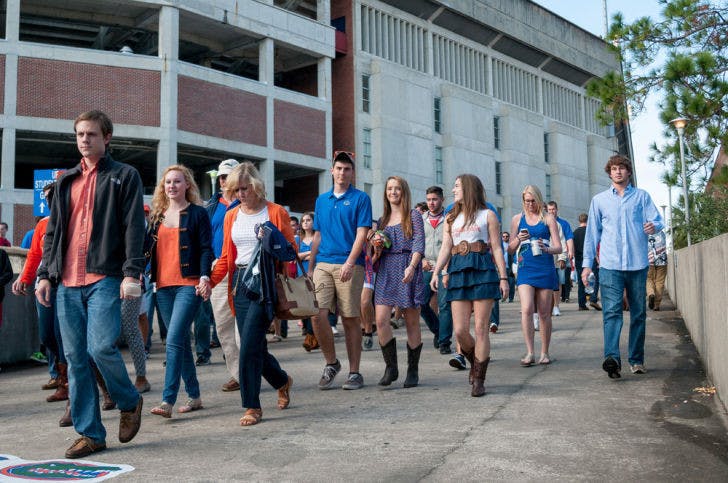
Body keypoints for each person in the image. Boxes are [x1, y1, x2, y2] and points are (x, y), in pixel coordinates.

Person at [36, 110, 144, 459]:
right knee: (75, 359)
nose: (85, 140)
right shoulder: (66, 180)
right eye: (80, 134)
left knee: (100, 348)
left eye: (92, 134)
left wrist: (132, 272)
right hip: (67, 281)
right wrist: (43, 274)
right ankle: (91, 434)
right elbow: (53, 233)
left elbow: (133, 227)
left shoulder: (124, 176)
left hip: (105, 277)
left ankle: (129, 400)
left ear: (107, 137)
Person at [210, 162, 295, 426]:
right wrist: (209, 282)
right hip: (240, 282)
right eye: (235, 190)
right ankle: (282, 380)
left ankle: (252, 406)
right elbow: (226, 256)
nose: (240, 194)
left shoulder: (276, 212)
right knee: (255, 346)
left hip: (266, 283)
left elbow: (290, 252)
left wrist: (271, 238)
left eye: (244, 188)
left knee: (246, 346)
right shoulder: (231, 216)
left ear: (256, 186)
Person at [582, 154, 663, 379]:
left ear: (628, 172)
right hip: (609, 265)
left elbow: (658, 221)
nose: (618, 172)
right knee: (611, 313)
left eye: (622, 168)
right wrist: (587, 265)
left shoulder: (641, 197)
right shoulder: (599, 201)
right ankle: (612, 359)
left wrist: (653, 226)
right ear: (609, 172)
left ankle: (636, 360)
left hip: (637, 264)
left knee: (638, 313)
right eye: (614, 168)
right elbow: (592, 235)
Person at [431, 174, 509, 397]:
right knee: (460, 331)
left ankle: (479, 379)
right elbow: (446, 247)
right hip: (457, 271)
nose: (453, 190)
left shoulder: (488, 215)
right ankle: (477, 362)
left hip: (483, 270)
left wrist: (503, 277)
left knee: (481, 328)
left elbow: (496, 248)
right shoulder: (450, 218)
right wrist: (438, 272)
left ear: (468, 188)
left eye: (456, 186)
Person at [146, 165, 212, 418]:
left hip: (189, 284)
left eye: (177, 181)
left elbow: (206, 248)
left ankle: (167, 400)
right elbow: (146, 250)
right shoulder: (157, 216)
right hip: (162, 287)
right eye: (167, 182)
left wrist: (205, 276)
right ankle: (194, 396)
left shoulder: (197, 213)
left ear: (187, 185)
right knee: (182, 342)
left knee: (173, 340)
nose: (171, 186)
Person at [307, 150, 372, 390]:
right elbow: (317, 235)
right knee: (316, 314)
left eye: (347, 169)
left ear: (352, 172)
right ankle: (331, 363)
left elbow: (362, 234)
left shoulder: (360, 198)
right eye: (339, 168)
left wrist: (350, 262)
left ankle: (355, 372)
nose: (342, 172)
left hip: (350, 263)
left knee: (350, 318)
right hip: (323, 263)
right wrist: (311, 267)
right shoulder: (321, 200)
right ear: (332, 170)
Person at [371, 176, 425, 388]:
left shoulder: (414, 215)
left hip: (406, 266)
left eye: (397, 189)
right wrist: (376, 248)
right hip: (386, 269)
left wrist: (411, 267)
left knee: (412, 321)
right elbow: (375, 255)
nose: (393, 192)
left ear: (404, 192)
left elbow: (419, 244)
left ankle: (413, 370)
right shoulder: (382, 220)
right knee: (382, 320)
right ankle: (391, 367)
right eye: (390, 189)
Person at [507, 185, 561, 367]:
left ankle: (544, 352)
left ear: (539, 200)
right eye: (526, 201)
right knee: (527, 308)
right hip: (525, 267)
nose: (530, 204)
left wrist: (547, 248)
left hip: (545, 267)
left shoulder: (548, 219)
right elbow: (510, 249)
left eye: (533, 201)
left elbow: (559, 247)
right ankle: (530, 351)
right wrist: (518, 240)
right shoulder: (517, 219)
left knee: (545, 312)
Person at [206, 159, 242, 392]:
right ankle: (238, 374)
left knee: (246, 326)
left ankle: (252, 370)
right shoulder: (210, 207)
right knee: (223, 326)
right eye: (221, 177)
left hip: (244, 267)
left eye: (228, 175)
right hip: (218, 267)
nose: (224, 180)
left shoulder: (249, 202)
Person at [419, 186, 450, 352]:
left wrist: (445, 267)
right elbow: (416, 244)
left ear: (442, 200)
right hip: (427, 266)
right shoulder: (420, 219)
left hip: (445, 266)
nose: (431, 203)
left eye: (435, 199)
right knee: (421, 303)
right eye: (429, 199)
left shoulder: (449, 219)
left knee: (444, 305)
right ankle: (439, 331)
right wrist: (422, 259)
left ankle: (445, 342)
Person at [546, 201, 574, 314]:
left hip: (559, 255)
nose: (552, 211)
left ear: (557, 209)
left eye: (553, 209)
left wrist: (570, 252)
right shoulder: (544, 222)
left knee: (558, 281)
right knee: (547, 282)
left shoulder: (563, 223)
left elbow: (568, 238)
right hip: (547, 257)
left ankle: (556, 306)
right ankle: (548, 305)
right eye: (549, 209)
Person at [296, 212, 318, 352]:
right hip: (301, 275)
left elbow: (320, 253)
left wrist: (307, 255)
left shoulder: (318, 237)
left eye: (308, 220)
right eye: (303, 220)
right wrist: (310, 253)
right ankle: (311, 334)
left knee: (316, 306)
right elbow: (295, 256)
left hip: (317, 274)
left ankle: (312, 337)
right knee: (306, 306)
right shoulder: (298, 239)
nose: (305, 222)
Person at [647, 230, 667, 311]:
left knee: (648, 279)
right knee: (660, 282)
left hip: (648, 260)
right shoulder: (661, 233)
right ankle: (656, 305)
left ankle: (651, 294)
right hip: (662, 260)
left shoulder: (646, 233)